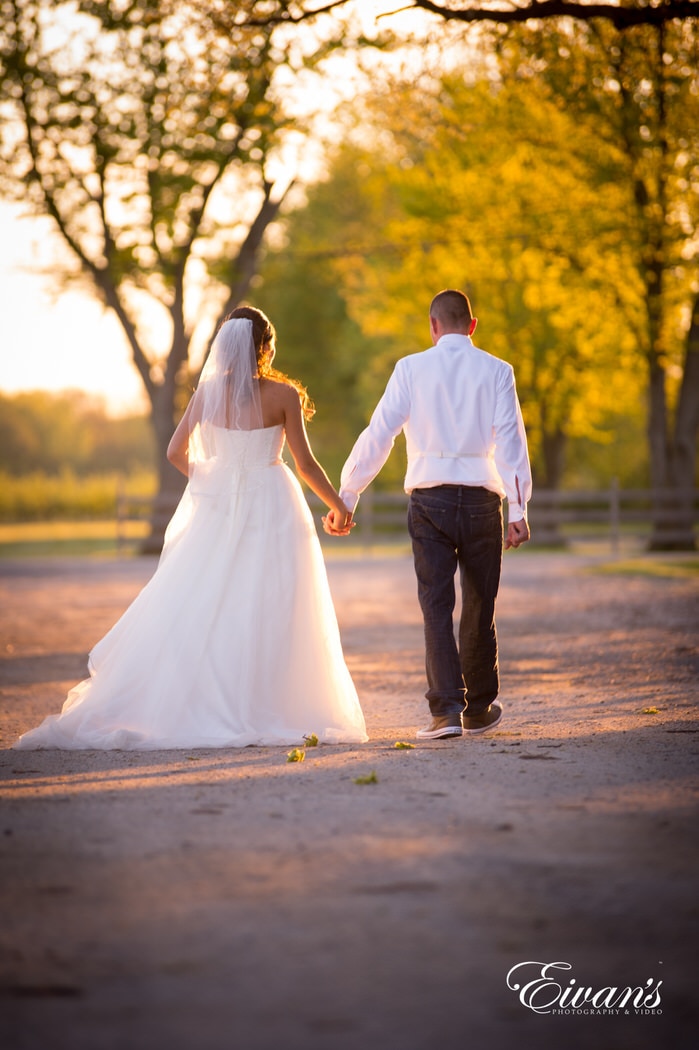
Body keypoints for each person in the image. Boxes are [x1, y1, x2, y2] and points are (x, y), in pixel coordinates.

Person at [15, 307, 367, 750]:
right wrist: (339, 507)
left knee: (211, 596)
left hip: (220, 504)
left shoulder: (207, 394)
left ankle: (208, 698)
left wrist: (211, 479)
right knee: (274, 598)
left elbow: (174, 451)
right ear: (264, 346)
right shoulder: (283, 396)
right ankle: (272, 701)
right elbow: (305, 464)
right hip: (273, 500)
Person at [324, 289, 531, 741]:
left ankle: (446, 713)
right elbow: (512, 440)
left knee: (436, 606)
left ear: (433, 326)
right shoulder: (499, 371)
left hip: (429, 499)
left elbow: (380, 432)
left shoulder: (410, 368)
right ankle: (478, 709)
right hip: (482, 499)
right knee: (480, 604)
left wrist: (348, 494)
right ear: (472, 326)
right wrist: (519, 507)